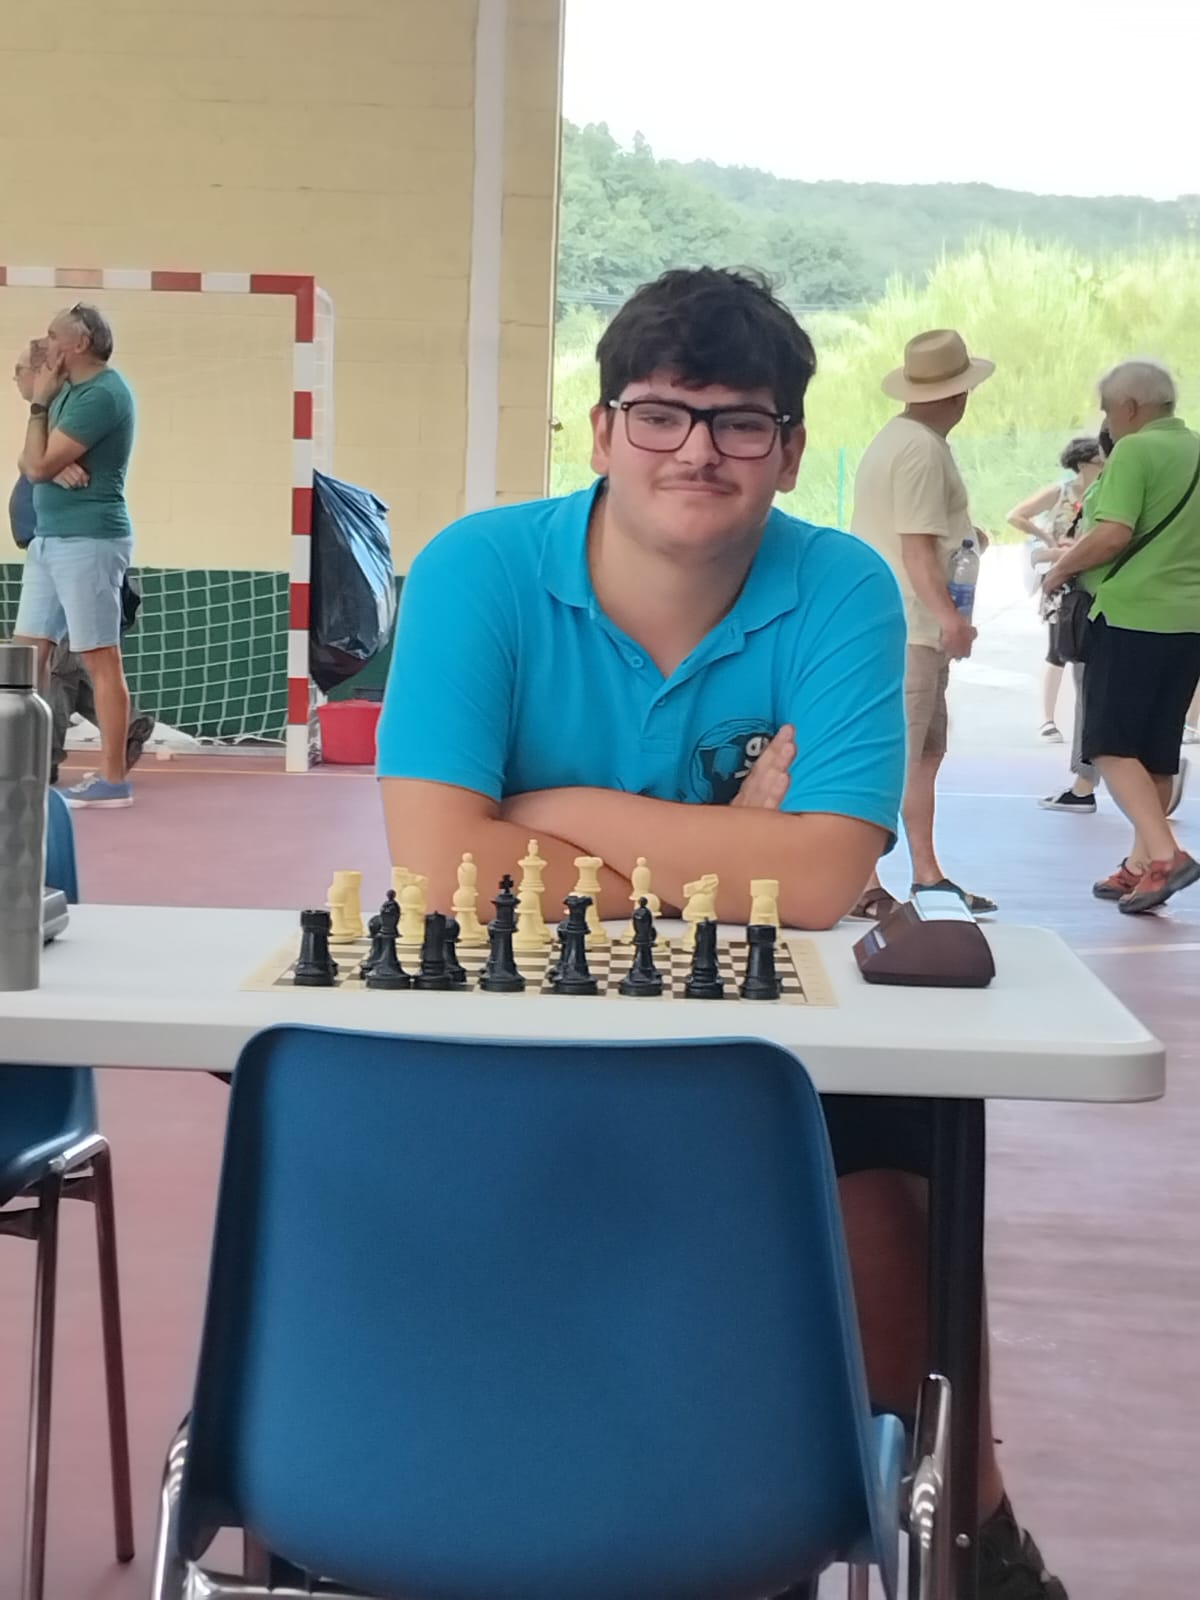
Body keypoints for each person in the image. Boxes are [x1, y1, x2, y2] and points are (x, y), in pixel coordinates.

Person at [377, 270, 1066, 1599]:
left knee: (896, 1185)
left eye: (740, 422)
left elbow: (822, 877)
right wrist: (724, 845)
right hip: (507, 1031)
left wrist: (547, 812)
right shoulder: (478, 568)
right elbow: (442, 868)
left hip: (761, 1043)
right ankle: (430, 1501)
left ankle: (968, 1535)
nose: (696, 450)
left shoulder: (840, 587)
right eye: (661, 414)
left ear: (790, 451)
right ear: (602, 430)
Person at [849, 328, 998, 921]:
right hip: (911, 627)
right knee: (899, 757)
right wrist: (949, 617)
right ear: (960, 394)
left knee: (923, 754)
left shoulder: (901, 440)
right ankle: (862, 878)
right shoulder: (921, 449)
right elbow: (915, 548)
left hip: (904, 627)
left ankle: (926, 873)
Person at [1044, 359, 1200, 911]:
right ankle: (1141, 866)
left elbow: (1113, 533)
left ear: (1130, 408)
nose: (1108, 422)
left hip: (1132, 614)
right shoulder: (1195, 449)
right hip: (1189, 622)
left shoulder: (1135, 451)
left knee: (1108, 746)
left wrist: (1060, 569)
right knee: (1155, 752)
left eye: (1109, 410)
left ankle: (1166, 856)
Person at [10, 339, 153, 784]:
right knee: (29, 660)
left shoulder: (86, 402)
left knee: (87, 662)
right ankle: (23, 764)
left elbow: (37, 465)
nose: (14, 379)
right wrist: (44, 463)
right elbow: (30, 461)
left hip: (84, 545)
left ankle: (107, 776)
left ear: (42, 372)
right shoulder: (48, 417)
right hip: (46, 545)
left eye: (19, 370)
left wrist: (45, 464)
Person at [1008, 436, 1105, 747]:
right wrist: (1047, 538)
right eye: (1099, 461)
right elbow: (1015, 515)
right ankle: (1047, 719)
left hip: (1092, 575)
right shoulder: (1060, 491)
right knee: (1057, 647)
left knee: (1092, 649)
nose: (1104, 465)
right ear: (1083, 464)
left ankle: (1088, 718)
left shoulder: (1105, 492)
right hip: (1061, 577)